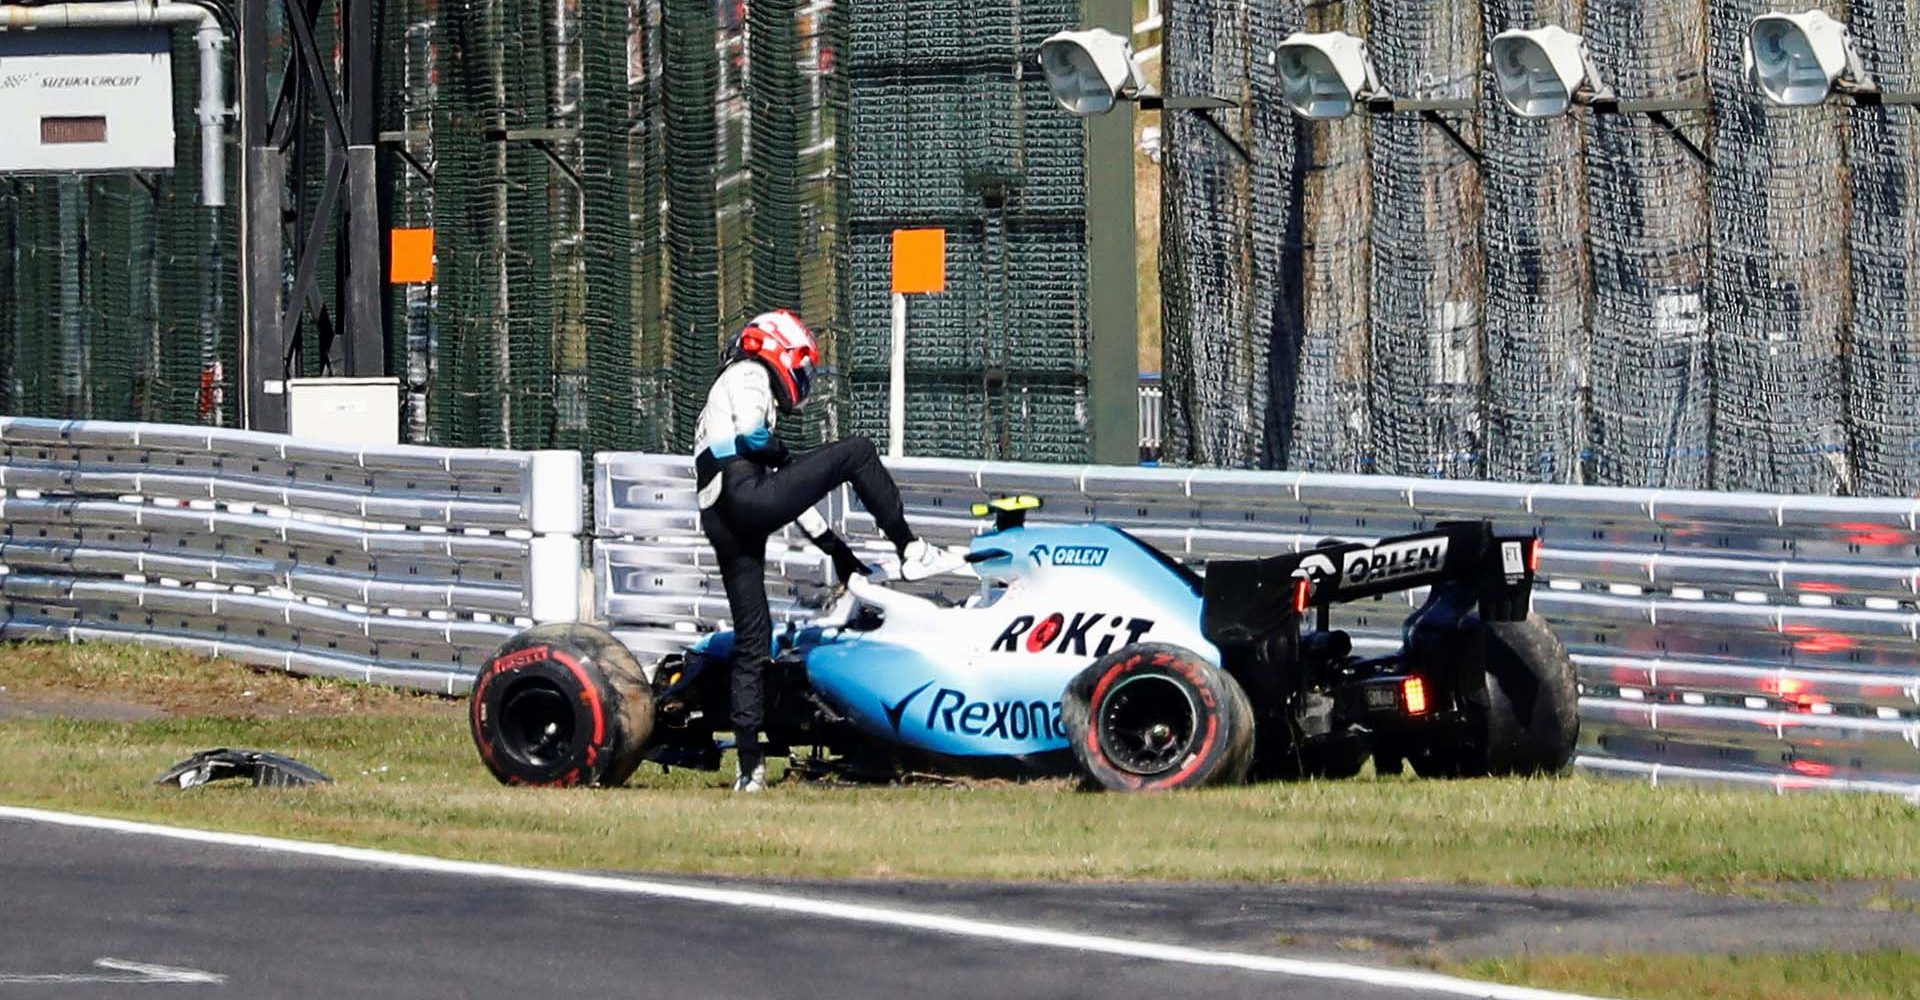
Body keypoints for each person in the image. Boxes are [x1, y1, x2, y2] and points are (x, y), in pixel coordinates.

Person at [694, 309, 962, 792]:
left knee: (754, 640)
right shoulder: (749, 374)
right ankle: (912, 547)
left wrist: (835, 549)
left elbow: (777, 491)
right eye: (802, 367)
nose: (803, 378)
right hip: (743, 496)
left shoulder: (719, 394)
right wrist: (776, 449)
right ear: (779, 350)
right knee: (856, 451)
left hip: (722, 516)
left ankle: (749, 770)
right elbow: (752, 437)